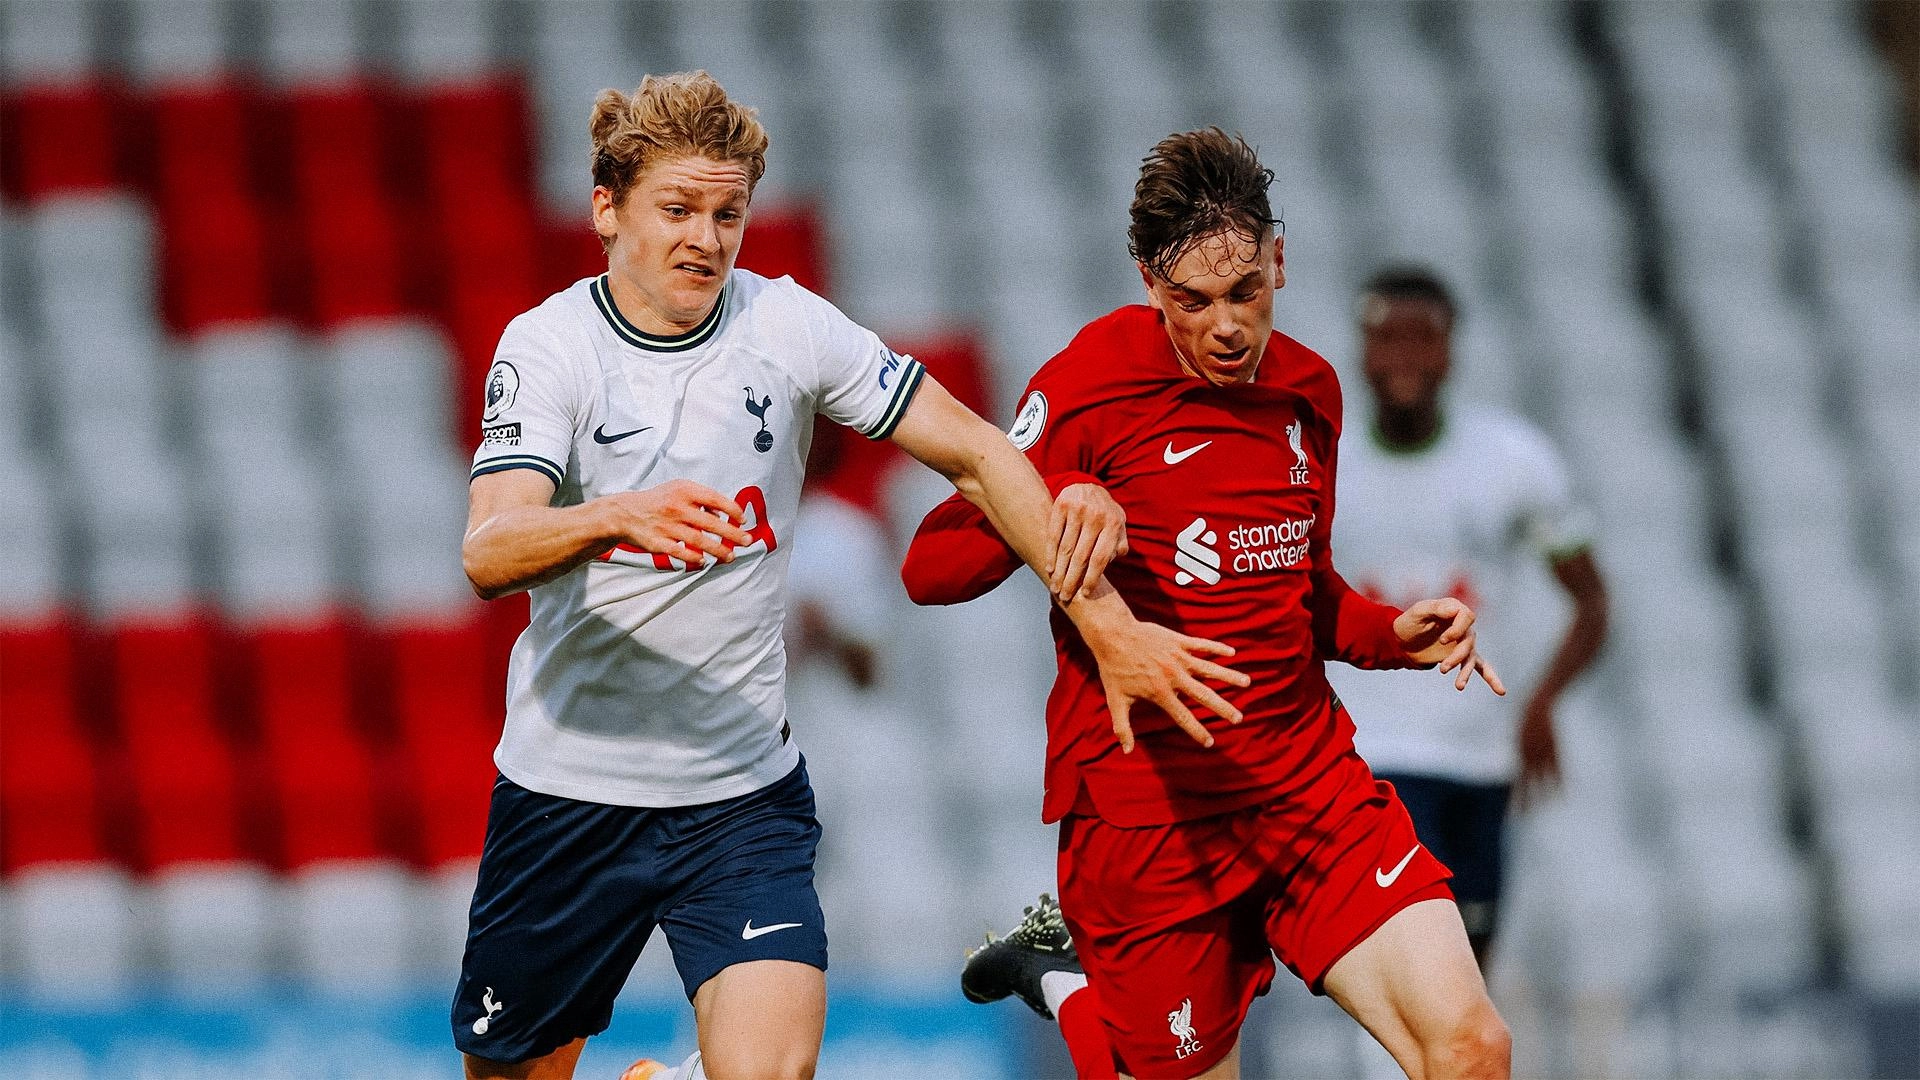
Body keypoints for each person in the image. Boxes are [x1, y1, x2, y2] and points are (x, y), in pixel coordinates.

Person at [454, 72, 1232, 1080]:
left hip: (740, 795)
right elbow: (488, 549)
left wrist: (1109, 626)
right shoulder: (551, 347)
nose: (707, 238)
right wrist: (615, 516)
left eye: (728, 212)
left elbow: (981, 455)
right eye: (678, 209)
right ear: (607, 207)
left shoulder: (786, 326)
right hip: (566, 795)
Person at [903, 129, 1513, 1080]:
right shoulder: (1088, 387)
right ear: (1149, 281)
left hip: (1307, 789)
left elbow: (1304, 597)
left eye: (1245, 293)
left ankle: (1079, 978)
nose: (1225, 327)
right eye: (1191, 301)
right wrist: (1053, 504)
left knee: (1473, 1047)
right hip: (1152, 822)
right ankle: (1068, 981)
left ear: (1280, 259)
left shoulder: (1310, 392)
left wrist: (1390, 634)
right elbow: (929, 567)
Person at [1333, 266, 1610, 970]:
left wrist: (1542, 701)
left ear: (1451, 350)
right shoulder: (1320, 460)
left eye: (1422, 338)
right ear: (1361, 351)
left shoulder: (1512, 461)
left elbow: (1593, 601)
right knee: (1417, 972)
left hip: (1482, 762)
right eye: (1385, 338)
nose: (1404, 357)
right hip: (1372, 763)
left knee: (1469, 978)